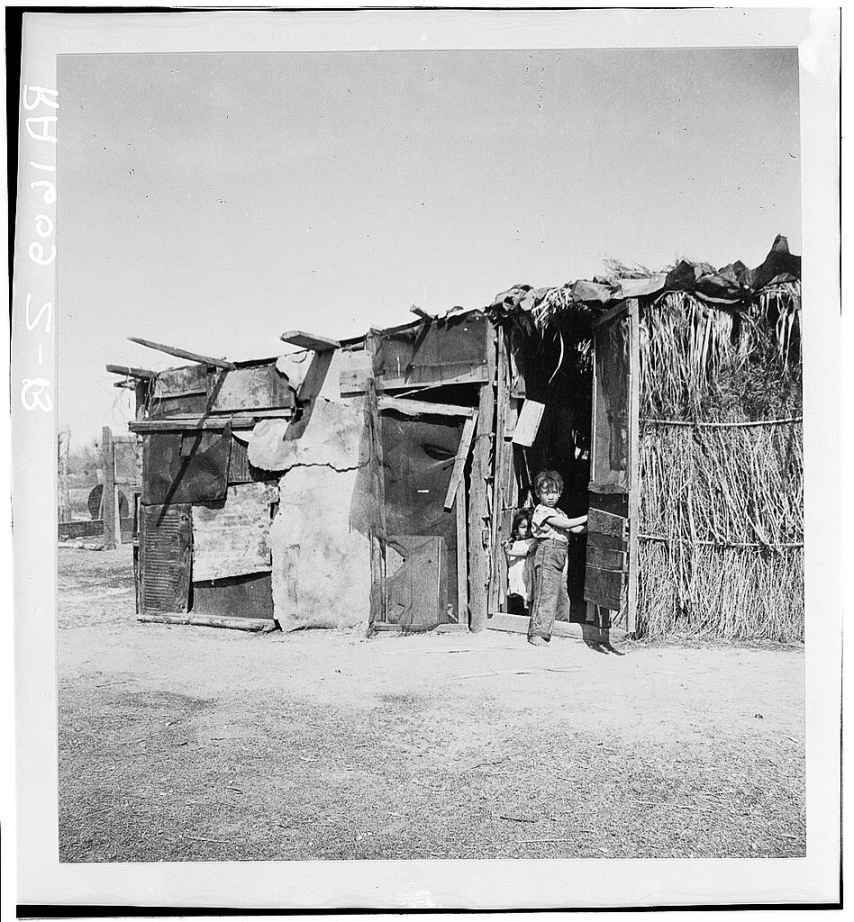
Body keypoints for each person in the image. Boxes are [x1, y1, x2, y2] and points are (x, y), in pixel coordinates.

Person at [528, 469, 587, 646]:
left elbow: (574, 529)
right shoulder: (542, 511)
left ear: (560, 492)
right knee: (546, 592)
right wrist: (587, 516)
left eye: (554, 492)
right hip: (548, 551)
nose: (551, 497)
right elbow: (567, 524)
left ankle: (561, 628)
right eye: (546, 493)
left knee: (561, 592)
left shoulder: (559, 511)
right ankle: (538, 633)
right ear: (538, 494)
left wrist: (593, 527)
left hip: (561, 551)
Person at [504, 511, 535, 616]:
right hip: (516, 574)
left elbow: (526, 552)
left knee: (526, 595)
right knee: (516, 598)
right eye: (523, 527)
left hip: (525, 574)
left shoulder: (533, 541)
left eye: (529, 527)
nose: (526, 530)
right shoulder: (515, 542)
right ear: (516, 528)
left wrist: (509, 551)